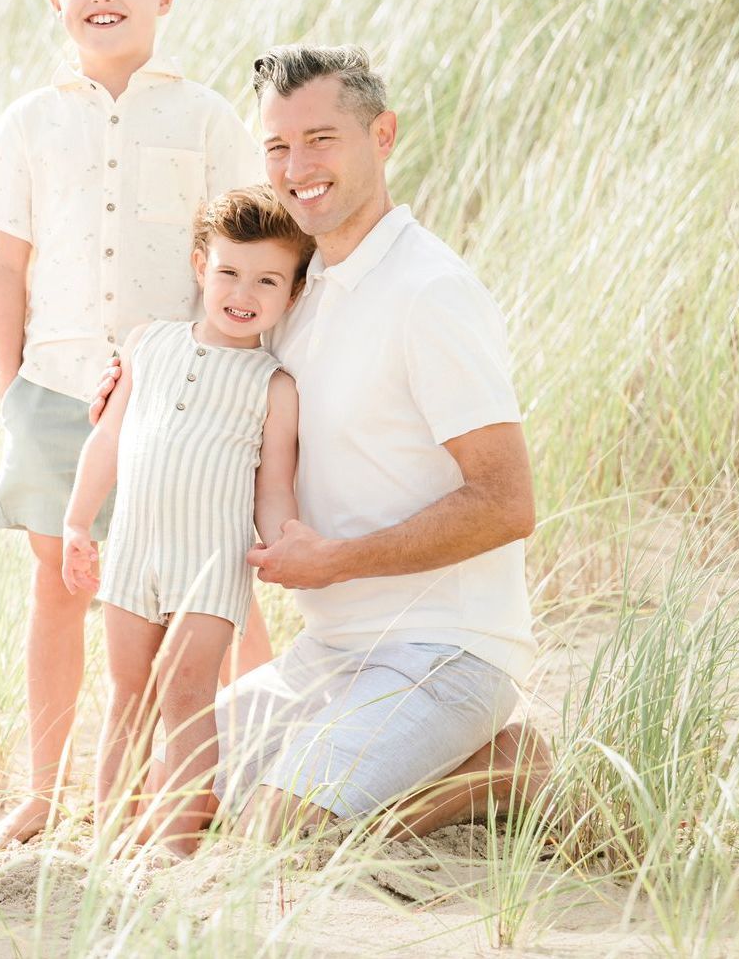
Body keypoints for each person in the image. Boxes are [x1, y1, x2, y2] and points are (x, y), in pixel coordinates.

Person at [91, 44, 550, 842]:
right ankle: (405, 765)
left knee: (280, 830)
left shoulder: (429, 293)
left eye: (320, 138)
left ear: (382, 136)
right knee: (173, 794)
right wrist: (145, 384)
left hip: (444, 652)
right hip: (332, 650)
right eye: (276, 145)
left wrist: (334, 561)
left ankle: (502, 767)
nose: (296, 165)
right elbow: (227, 401)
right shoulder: (293, 292)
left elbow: (506, 504)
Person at [0, 0, 271, 848]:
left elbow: (247, 248)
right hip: (56, 391)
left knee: (211, 590)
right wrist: (11, 385)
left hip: (180, 401)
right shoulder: (27, 124)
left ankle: (260, 774)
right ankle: (44, 790)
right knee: (59, 589)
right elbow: (4, 265)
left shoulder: (208, 116)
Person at [61, 187, 311, 856]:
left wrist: (284, 544)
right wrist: (77, 521)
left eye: (267, 280)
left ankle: (175, 847)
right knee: (125, 697)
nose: (243, 292)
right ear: (200, 266)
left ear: (291, 293)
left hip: (211, 563)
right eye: (229, 271)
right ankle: (109, 839)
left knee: (185, 693)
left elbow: (274, 488)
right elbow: (107, 441)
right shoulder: (146, 345)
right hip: (133, 553)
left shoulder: (272, 384)